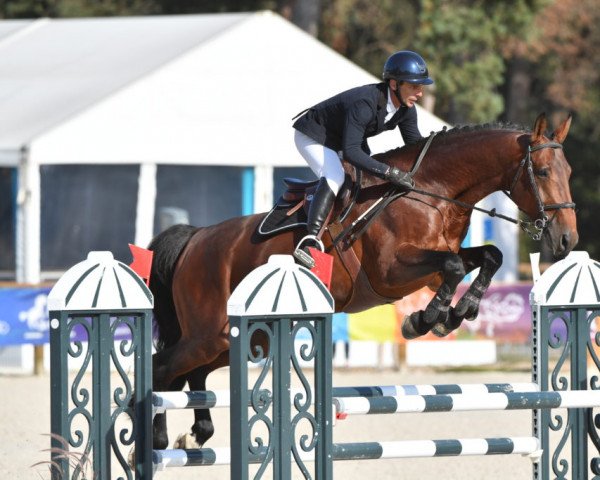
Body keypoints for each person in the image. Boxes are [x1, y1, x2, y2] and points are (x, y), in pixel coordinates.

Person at [292, 50, 434, 268]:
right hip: (314, 135)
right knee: (335, 176)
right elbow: (351, 151)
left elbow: (415, 146)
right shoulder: (365, 104)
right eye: (414, 86)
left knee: (366, 178)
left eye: (421, 87)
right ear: (394, 84)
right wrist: (389, 172)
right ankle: (309, 241)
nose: (420, 93)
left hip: (342, 138)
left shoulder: (406, 109)